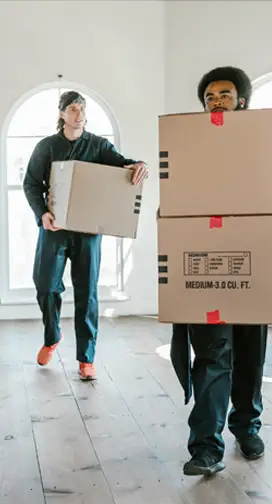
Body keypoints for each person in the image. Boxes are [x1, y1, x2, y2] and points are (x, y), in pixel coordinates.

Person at [170, 66, 272, 477]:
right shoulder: (189, 149)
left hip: (254, 269)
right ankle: (206, 447)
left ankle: (247, 428)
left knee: (249, 357)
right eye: (210, 96)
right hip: (204, 270)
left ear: (242, 101)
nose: (216, 100)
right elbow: (174, 205)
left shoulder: (270, 146)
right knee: (211, 357)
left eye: (225, 94)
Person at [23, 90, 148, 381]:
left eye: (82, 109)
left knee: (87, 292)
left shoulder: (99, 145)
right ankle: (52, 337)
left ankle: (86, 358)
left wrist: (138, 165)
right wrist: (42, 214)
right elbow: (31, 183)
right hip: (54, 228)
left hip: (88, 231)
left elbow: (122, 165)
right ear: (62, 113)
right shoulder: (47, 147)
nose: (79, 114)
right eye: (73, 109)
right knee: (45, 285)